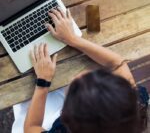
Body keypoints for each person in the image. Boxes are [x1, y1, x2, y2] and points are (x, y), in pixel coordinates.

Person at [15, 8, 148, 133]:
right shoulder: (134, 106)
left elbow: (31, 128)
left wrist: (42, 82)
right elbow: (118, 64)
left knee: (22, 104)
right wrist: (73, 39)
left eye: (74, 87)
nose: (77, 76)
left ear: (68, 117)